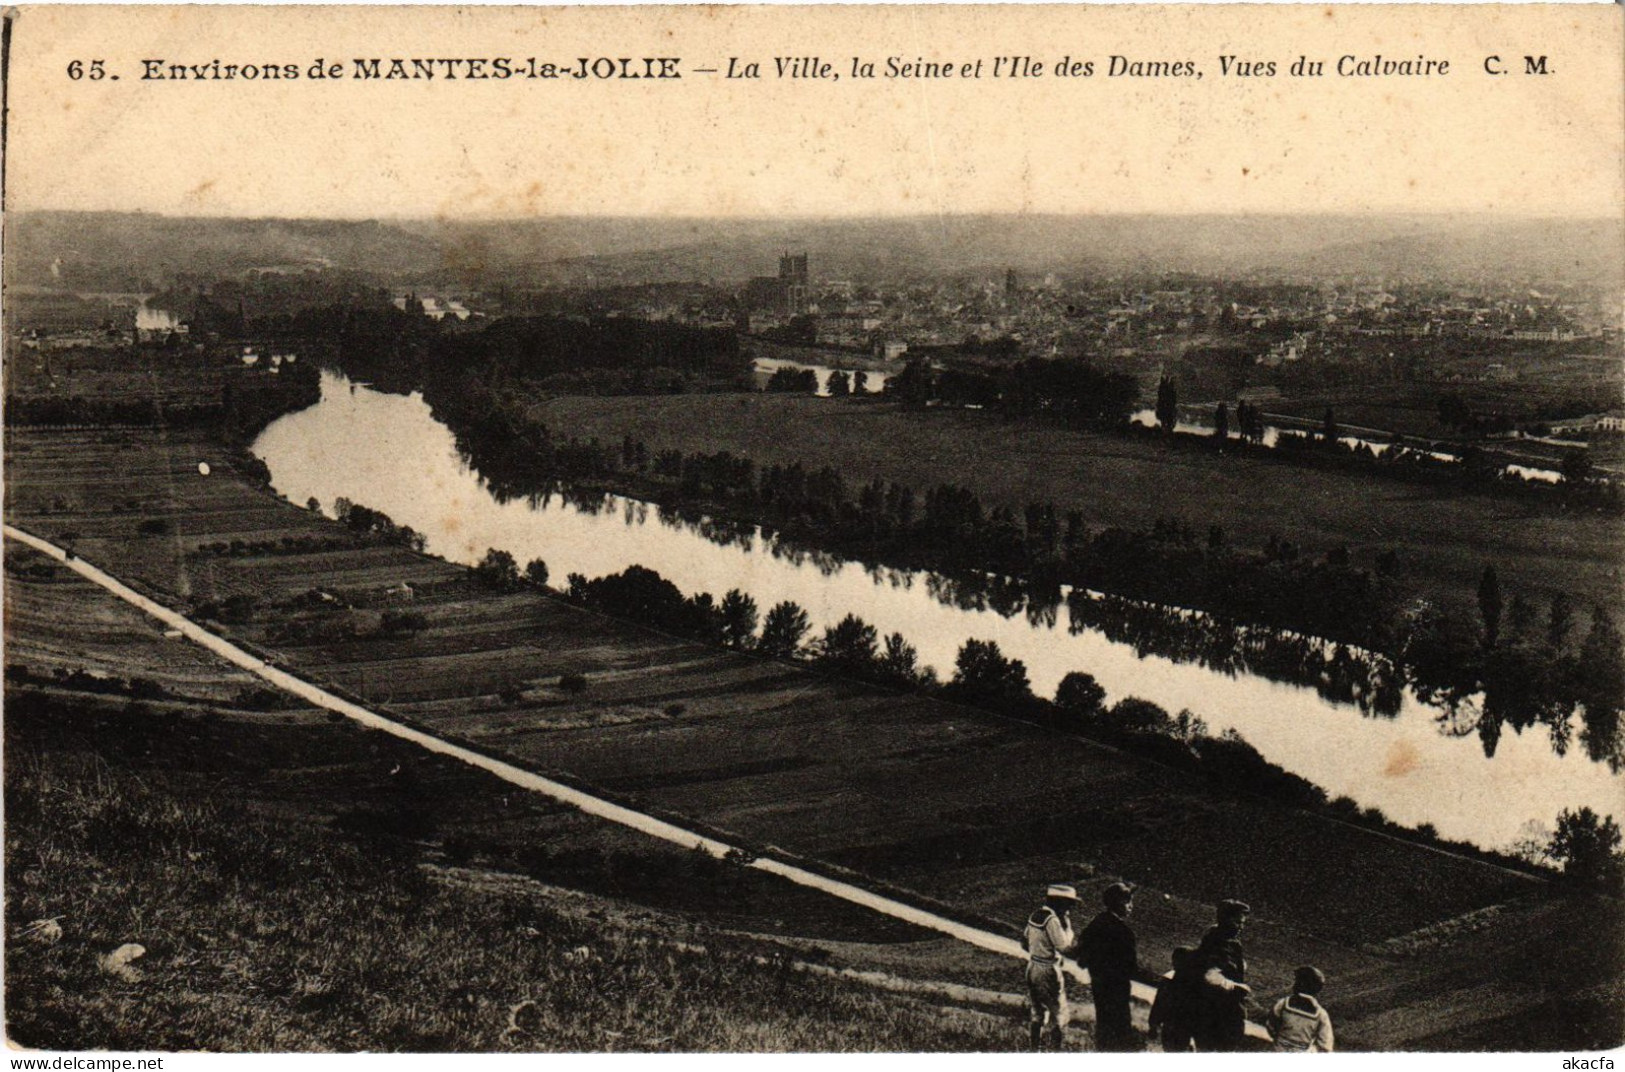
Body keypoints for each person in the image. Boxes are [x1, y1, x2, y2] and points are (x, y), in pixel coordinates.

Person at [1077, 882, 1140, 1051]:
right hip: (1118, 986)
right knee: (1120, 1026)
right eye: (1128, 902)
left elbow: (1081, 955)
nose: (1131, 907)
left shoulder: (1096, 923)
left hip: (1099, 983)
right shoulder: (1124, 932)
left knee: (1104, 1023)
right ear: (1119, 902)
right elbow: (1131, 967)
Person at [1024, 884, 1078, 1050]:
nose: (1070, 908)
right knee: (1060, 1014)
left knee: (1037, 1012)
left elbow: (1024, 942)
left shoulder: (1035, 915)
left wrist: (1039, 950)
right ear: (1060, 902)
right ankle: (1056, 1052)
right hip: (1049, 969)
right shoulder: (1053, 920)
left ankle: (1035, 1051)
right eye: (1069, 904)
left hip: (1032, 966)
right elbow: (1064, 948)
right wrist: (1068, 928)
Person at [1193, 899, 1252, 1051]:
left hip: (1223, 1006)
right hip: (1216, 1007)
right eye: (1238, 922)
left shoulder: (1229, 941)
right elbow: (1210, 975)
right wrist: (1237, 986)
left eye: (1243, 923)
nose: (1241, 927)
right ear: (1225, 919)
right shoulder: (1216, 941)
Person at [1268, 966, 1335, 1052]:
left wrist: (1278, 1037)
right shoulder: (1321, 1014)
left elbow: (1271, 1024)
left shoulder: (1283, 1003)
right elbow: (1326, 1044)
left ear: (1299, 984)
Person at [1148, 946, 1200, 1052]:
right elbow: (1159, 1003)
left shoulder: (1192, 983)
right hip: (1172, 1026)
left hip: (1181, 1027)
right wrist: (1153, 1025)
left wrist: (1154, 1024)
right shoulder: (1170, 980)